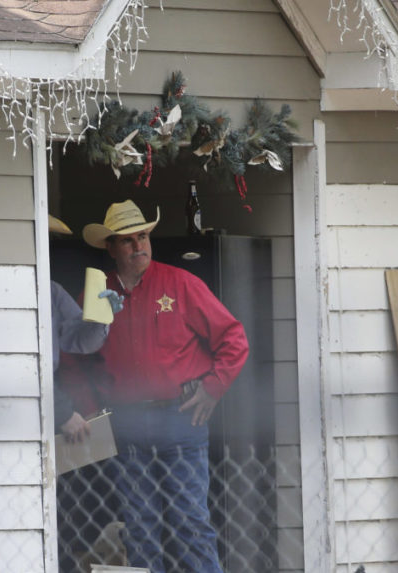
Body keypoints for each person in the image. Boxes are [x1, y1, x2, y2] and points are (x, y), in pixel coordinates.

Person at [82, 200, 249, 573]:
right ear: (110, 247)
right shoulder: (98, 293)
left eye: (143, 236)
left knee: (190, 522)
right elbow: (79, 357)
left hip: (179, 417)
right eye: (127, 241)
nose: (138, 246)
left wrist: (213, 388)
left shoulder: (182, 283)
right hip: (125, 423)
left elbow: (234, 339)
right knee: (140, 528)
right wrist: (89, 407)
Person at [48, 214, 123, 442]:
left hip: (46, 395)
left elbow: (80, 342)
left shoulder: (52, 290)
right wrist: (62, 411)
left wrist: (102, 317)